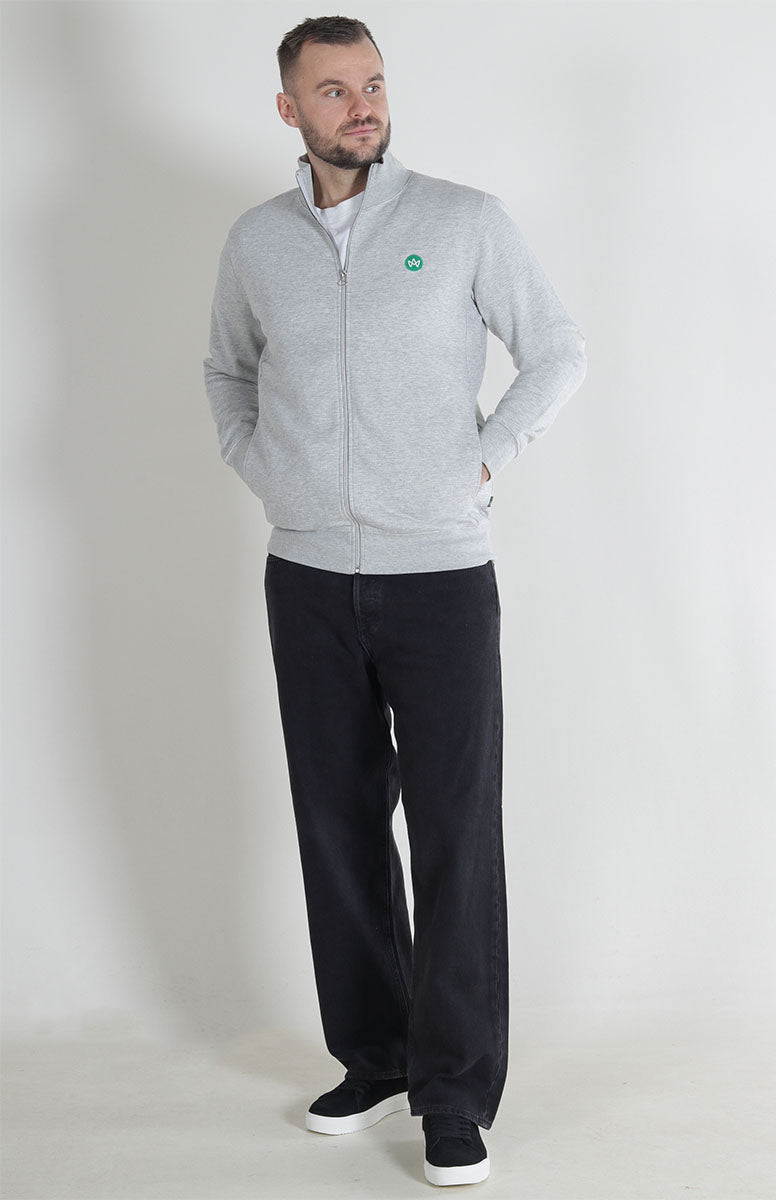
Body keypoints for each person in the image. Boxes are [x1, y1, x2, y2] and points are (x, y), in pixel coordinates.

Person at [203, 13, 587, 1188]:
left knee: (455, 832)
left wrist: (480, 462)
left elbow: (556, 349)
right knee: (336, 824)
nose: (361, 104)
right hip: (307, 575)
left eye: (371, 83)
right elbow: (226, 369)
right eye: (333, 89)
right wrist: (265, 469)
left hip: (440, 579)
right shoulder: (258, 241)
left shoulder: (461, 221)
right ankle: (372, 1056)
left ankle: (454, 1092)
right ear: (290, 110)